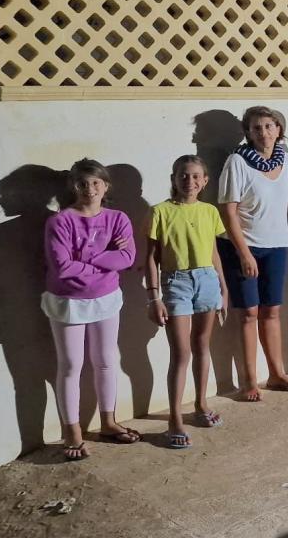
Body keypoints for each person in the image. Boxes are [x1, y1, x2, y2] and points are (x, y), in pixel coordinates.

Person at [43, 159, 138, 460]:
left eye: (96, 183)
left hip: (106, 298)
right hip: (68, 301)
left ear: (105, 186)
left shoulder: (118, 218)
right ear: (74, 186)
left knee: (106, 360)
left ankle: (108, 421)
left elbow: (127, 258)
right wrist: (104, 254)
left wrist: (87, 259)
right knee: (71, 365)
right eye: (83, 183)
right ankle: (72, 431)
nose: (90, 189)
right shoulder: (60, 222)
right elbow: (62, 267)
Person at [146, 156, 229, 449]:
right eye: (183, 176)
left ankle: (201, 404)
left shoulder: (209, 212)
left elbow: (214, 252)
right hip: (175, 282)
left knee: (202, 346)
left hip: (207, 280)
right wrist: (154, 297)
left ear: (204, 180)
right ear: (174, 178)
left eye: (196, 177)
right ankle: (174, 419)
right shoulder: (160, 211)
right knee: (181, 353)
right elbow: (151, 258)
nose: (189, 182)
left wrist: (223, 287)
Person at [216, 106, 288, 400]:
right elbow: (228, 210)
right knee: (249, 313)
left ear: (278, 129)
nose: (263, 133)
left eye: (268, 126)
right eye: (256, 128)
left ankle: (277, 374)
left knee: (272, 311)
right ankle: (249, 381)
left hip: (276, 246)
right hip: (243, 247)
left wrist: (283, 234)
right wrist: (244, 253)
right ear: (248, 133)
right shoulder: (237, 162)